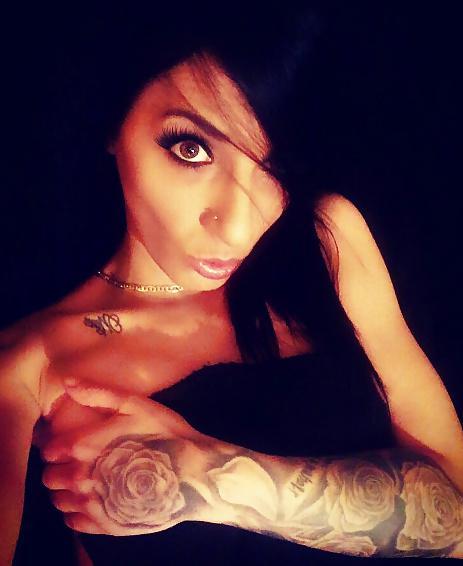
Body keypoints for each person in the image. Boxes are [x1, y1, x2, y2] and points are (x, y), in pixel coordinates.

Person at [2, 5, 463, 564]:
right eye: (191, 149)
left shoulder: (324, 243)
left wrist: (215, 478)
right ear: (112, 123)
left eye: (273, 166)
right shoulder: (32, 369)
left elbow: (458, 509)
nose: (240, 227)